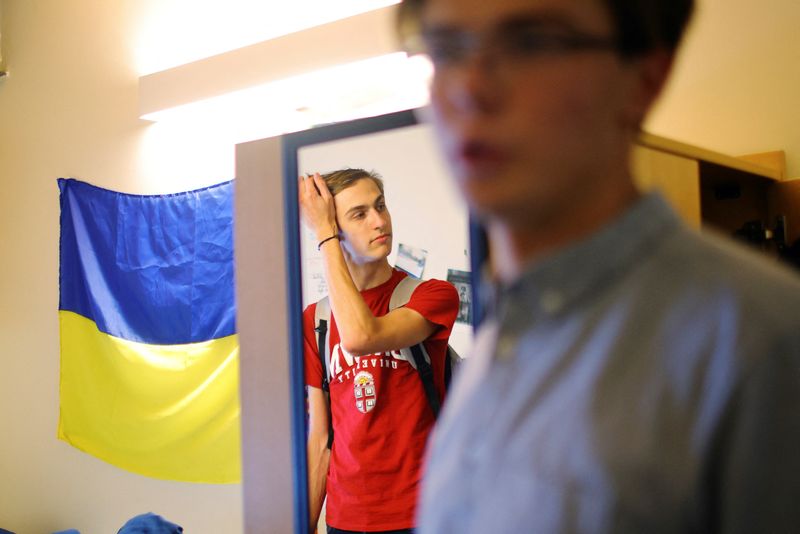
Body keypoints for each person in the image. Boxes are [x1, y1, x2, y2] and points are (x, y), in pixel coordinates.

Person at [396, 0, 800, 532]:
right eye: (446, 49)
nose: (469, 88)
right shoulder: (504, 329)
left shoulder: (758, 342)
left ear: (645, 80)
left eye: (532, 43)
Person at [299, 168, 459, 533]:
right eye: (359, 214)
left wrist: (324, 235)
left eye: (380, 206)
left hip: (423, 511)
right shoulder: (316, 320)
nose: (379, 221)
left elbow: (361, 336)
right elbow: (320, 440)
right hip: (347, 517)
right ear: (335, 228)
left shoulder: (431, 295)